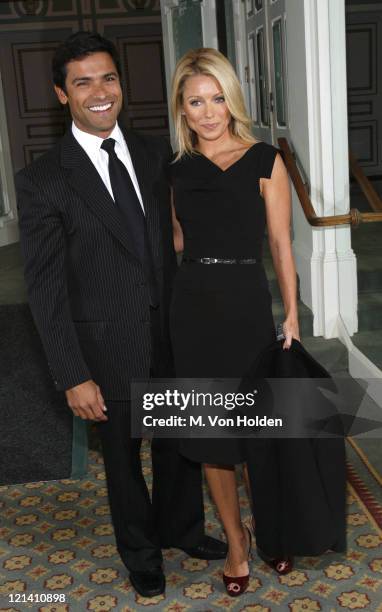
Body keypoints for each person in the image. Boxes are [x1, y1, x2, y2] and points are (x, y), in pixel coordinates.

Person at [15, 32, 226, 599]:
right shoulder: (43, 180)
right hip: (104, 346)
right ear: (62, 94)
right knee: (124, 460)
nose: (99, 92)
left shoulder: (159, 153)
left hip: (173, 332)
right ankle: (141, 552)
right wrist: (71, 374)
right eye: (82, 82)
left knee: (178, 441)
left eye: (108, 78)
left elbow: (182, 234)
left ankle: (182, 528)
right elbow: (46, 288)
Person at [169, 47, 299, 596]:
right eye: (195, 101)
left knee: (258, 432)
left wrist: (291, 312)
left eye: (217, 98)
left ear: (232, 100)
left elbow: (280, 244)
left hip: (246, 303)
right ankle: (235, 542)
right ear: (182, 107)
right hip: (193, 308)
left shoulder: (265, 159)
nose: (207, 112)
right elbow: (175, 244)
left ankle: (271, 528)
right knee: (210, 434)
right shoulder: (173, 170)